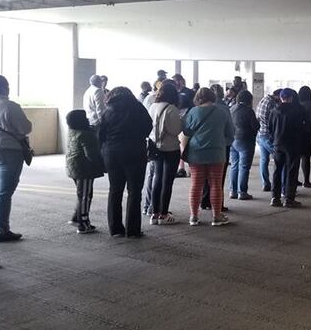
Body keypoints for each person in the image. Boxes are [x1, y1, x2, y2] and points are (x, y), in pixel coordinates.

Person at [0, 75, 33, 242]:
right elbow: (25, 128)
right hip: (9, 151)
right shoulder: (10, 106)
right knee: (3, 191)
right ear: (3, 88)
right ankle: (1, 229)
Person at [99, 87, 152, 238]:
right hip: (135, 152)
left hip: (112, 152)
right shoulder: (138, 108)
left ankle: (115, 228)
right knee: (134, 191)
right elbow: (148, 126)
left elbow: (101, 133)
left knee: (115, 190)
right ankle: (133, 229)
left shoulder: (108, 110)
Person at [182, 88, 232, 226]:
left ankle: (194, 216)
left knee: (196, 185)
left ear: (197, 98)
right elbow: (231, 133)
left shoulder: (192, 112)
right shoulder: (222, 112)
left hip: (196, 154)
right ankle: (216, 216)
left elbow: (186, 130)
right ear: (213, 97)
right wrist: (221, 143)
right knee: (216, 184)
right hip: (217, 153)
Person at [65, 109, 104, 234]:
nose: (88, 119)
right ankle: (83, 223)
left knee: (81, 194)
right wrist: (102, 165)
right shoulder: (86, 135)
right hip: (84, 169)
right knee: (85, 196)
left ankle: (76, 217)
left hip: (73, 166)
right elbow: (91, 155)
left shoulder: (72, 131)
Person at [148, 83, 183, 225]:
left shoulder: (152, 107)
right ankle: (164, 214)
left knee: (157, 178)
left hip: (155, 148)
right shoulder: (171, 109)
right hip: (170, 148)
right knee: (167, 181)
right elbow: (175, 130)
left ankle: (154, 213)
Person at [269, 88, 305, 208]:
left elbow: (270, 128)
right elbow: (300, 128)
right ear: (291, 98)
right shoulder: (297, 111)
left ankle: (275, 198)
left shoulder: (274, 111)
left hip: (277, 143)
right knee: (291, 171)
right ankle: (289, 198)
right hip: (292, 145)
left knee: (277, 170)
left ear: (280, 97)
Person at [201, 84, 234, 211]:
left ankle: (204, 200)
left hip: (203, 146)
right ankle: (217, 204)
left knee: (204, 176)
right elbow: (230, 131)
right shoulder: (224, 109)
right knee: (218, 178)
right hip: (221, 146)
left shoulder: (199, 108)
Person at [228, 90, 259, 201]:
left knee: (234, 166)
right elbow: (255, 127)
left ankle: (233, 191)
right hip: (245, 141)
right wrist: (258, 122)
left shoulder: (231, 108)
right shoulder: (249, 111)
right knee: (244, 167)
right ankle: (242, 192)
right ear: (248, 100)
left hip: (233, 140)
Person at [256, 89, 281, 191]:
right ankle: (282, 186)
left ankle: (265, 183)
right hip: (268, 135)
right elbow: (273, 120)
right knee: (280, 158)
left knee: (264, 160)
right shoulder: (271, 103)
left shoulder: (263, 100)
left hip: (260, 134)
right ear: (277, 96)